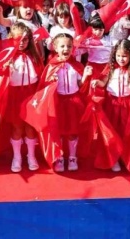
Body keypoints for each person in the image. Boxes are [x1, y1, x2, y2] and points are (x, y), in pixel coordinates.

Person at [89, 39, 130, 174]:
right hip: (112, 104)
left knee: (127, 132)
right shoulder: (111, 69)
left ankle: (126, 157)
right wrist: (96, 82)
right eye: (118, 56)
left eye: (124, 56)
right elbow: (103, 82)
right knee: (112, 132)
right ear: (114, 55)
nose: (121, 59)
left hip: (128, 105)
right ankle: (113, 158)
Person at [38, 33, 93, 172]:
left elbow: (81, 85)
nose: (66, 48)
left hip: (74, 102)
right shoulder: (51, 66)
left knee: (73, 131)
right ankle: (60, 156)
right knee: (59, 131)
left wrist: (86, 76)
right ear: (55, 48)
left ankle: (73, 157)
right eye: (62, 46)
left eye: (69, 46)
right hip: (58, 103)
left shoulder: (76, 65)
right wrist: (52, 82)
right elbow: (45, 87)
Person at [4, 23, 43, 172]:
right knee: (16, 127)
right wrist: (5, 68)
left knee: (30, 127)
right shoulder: (8, 56)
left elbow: (41, 76)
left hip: (31, 94)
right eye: (18, 39)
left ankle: (31, 155)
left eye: (25, 39)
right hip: (15, 95)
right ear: (11, 38)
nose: (21, 42)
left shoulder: (34, 57)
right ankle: (17, 156)